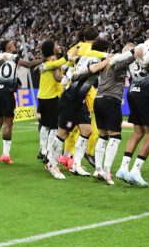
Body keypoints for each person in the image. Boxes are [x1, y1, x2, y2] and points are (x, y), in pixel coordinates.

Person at [45, 39, 111, 180]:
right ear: (104, 50)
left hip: (79, 101)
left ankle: (76, 164)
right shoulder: (95, 60)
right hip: (70, 99)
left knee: (87, 130)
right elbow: (93, 69)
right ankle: (51, 164)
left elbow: (75, 59)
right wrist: (108, 59)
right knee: (63, 133)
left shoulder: (86, 57)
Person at [116, 21, 149, 187]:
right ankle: (135, 171)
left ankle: (123, 168)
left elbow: (123, 60)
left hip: (133, 90)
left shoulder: (139, 47)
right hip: (147, 93)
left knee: (137, 133)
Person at [0, 39, 42, 164]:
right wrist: (46, 59)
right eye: (12, 45)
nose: (15, 46)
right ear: (8, 47)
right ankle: (6, 155)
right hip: (7, 92)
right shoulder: (13, 56)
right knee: (8, 123)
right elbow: (28, 65)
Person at [92, 43, 136, 185]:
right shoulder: (119, 61)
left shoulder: (107, 61)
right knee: (115, 137)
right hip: (110, 100)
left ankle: (98, 169)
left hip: (98, 99)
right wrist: (138, 50)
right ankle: (106, 171)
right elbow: (131, 56)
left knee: (103, 136)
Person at [36, 41, 66, 162]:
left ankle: (43, 150)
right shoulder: (54, 61)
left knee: (44, 125)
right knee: (54, 127)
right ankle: (49, 151)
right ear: (52, 49)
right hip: (52, 97)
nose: (59, 46)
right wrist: (69, 76)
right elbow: (57, 77)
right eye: (56, 45)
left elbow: (36, 71)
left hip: (42, 95)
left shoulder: (44, 63)